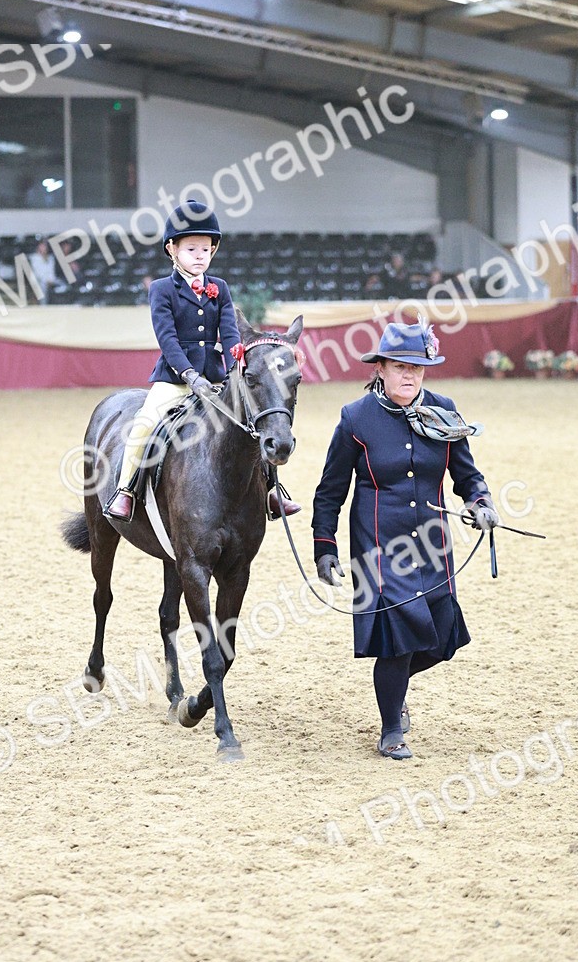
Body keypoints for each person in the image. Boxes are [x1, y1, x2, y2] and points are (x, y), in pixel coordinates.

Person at [311, 321, 498, 760]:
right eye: (399, 366)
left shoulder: (445, 411)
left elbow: (467, 476)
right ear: (380, 368)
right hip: (379, 546)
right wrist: (325, 546)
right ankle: (391, 729)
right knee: (397, 640)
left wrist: (481, 502)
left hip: (434, 546)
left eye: (418, 367)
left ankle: (395, 691)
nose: (409, 376)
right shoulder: (356, 417)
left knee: (444, 639)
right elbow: (330, 490)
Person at [105, 200, 301, 522]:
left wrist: (237, 362)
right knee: (145, 423)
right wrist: (190, 376)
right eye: (192, 249)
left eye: (206, 250)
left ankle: (272, 491)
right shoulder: (161, 290)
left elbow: (230, 333)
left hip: (216, 378)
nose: (200, 256)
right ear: (172, 249)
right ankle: (126, 490)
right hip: (175, 378)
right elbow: (167, 339)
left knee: (253, 420)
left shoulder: (219, 288)